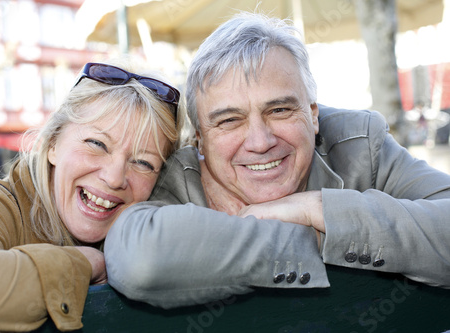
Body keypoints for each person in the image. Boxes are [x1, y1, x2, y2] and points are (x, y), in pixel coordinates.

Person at [104, 12, 450, 309]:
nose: (260, 142)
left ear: (313, 115)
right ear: (200, 140)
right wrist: (318, 236)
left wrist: (315, 209)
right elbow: (140, 260)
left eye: (280, 109)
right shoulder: (169, 179)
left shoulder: (359, 143)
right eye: (228, 120)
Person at [0, 60, 179, 332]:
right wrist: (85, 263)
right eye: (96, 144)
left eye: (143, 163)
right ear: (53, 144)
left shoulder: (154, 229)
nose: (115, 177)